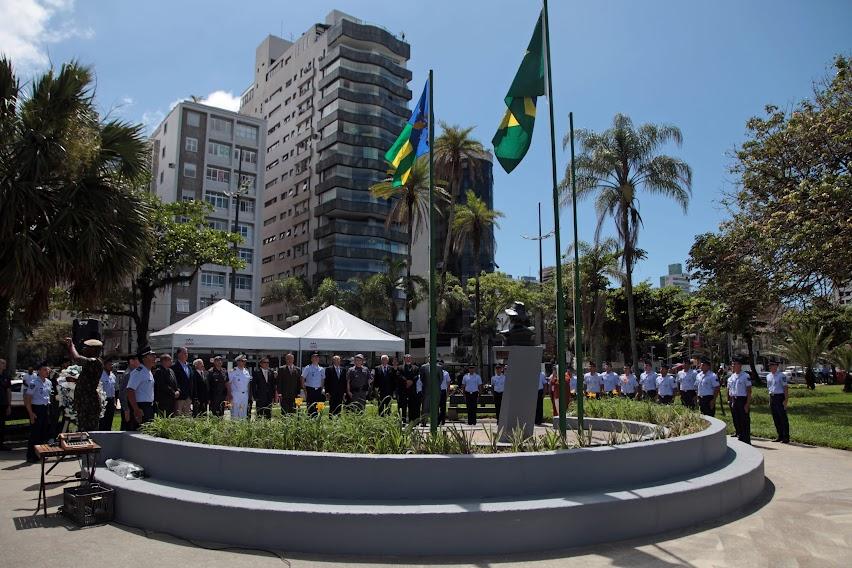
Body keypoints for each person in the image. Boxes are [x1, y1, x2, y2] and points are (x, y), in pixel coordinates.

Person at [65, 337, 104, 432]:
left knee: (89, 432)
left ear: (93, 350)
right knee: (83, 430)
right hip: (84, 403)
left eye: (86, 347)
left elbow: (77, 358)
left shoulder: (95, 362)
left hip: (89, 404)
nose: (83, 349)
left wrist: (71, 345)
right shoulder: (91, 363)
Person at [25, 363, 53, 462]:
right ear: (39, 371)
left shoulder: (48, 382)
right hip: (37, 409)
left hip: (45, 409)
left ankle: (41, 454)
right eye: (45, 370)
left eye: (48, 370)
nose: (47, 371)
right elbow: (28, 398)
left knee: (44, 433)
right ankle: (31, 456)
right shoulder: (34, 382)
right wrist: (31, 413)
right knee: (35, 434)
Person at [126, 347, 157, 428]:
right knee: (139, 433)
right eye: (151, 355)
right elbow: (130, 390)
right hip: (141, 407)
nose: (155, 357)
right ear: (144, 358)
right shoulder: (138, 372)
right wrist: (136, 409)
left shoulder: (148, 371)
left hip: (149, 407)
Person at [727, 356, 752, 444]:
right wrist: (730, 400)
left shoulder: (745, 376)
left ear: (740, 365)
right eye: (732, 364)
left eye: (735, 364)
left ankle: (746, 439)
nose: (733, 366)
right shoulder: (731, 377)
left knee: (744, 420)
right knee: (736, 419)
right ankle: (740, 436)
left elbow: (749, 391)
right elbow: (730, 390)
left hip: (742, 400)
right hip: (734, 400)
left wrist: (747, 404)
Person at [766, 359, 789, 443]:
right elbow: (769, 389)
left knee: (782, 418)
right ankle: (779, 436)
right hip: (772, 397)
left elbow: (785, 388)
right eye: (770, 366)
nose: (771, 367)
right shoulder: (768, 376)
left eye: (773, 365)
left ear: (777, 366)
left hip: (780, 397)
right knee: (776, 418)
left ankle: (786, 437)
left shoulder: (781, 375)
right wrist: (770, 400)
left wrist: (786, 400)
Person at [118, 355, 139, 430]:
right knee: (127, 429)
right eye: (137, 359)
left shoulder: (134, 373)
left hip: (131, 406)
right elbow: (123, 393)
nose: (139, 361)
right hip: (128, 408)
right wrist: (126, 409)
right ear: (131, 361)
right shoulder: (128, 374)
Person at [171, 347, 194, 417]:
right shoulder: (174, 367)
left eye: (187, 353)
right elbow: (173, 382)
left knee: (187, 418)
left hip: (188, 397)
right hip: (179, 397)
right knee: (178, 417)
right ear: (178, 354)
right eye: (184, 353)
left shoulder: (189, 367)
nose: (186, 355)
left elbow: (191, 381)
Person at [227, 355, 251, 420]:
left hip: (245, 394)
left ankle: (242, 428)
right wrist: (229, 395)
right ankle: (234, 428)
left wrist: (248, 394)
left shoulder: (246, 371)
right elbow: (228, 383)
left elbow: (248, 383)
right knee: (235, 412)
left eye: (245, 361)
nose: (244, 362)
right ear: (238, 362)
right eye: (242, 361)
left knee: (243, 412)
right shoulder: (233, 371)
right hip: (235, 394)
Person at [301, 352, 325, 417]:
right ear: (311, 359)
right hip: (310, 390)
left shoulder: (321, 369)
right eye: (314, 357)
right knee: (310, 407)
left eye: (317, 357)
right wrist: (304, 389)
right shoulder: (308, 368)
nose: (316, 358)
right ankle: (310, 421)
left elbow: (322, 379)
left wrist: (321, 388)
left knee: (317, 407)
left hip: (318, 390)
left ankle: (317, 420)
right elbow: (302, 378)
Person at [398, 354, 418, 424]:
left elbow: (417, 376)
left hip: (412, 390)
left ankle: (411, 421)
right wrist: (406, 381)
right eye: (406, 358)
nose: (408, 359)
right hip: (403, 390)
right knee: (403, 406)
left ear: (411, 359)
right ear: (404, 359)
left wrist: (411, 381)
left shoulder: (416, 367)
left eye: (409, 358)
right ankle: (403, 421)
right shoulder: (400, 367)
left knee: (412, 406)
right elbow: (399, 375)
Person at [98, 358, 117, 430]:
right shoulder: (101, 375)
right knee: (103, 420)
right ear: (104, 366)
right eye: (109, 364)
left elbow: (113, 389)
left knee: (110, 418)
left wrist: (115, 401)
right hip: (103, 400)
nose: (111, 366)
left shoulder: (113, 376)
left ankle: (108, 432)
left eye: (112, 364)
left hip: (111, 400)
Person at [0, 358, 12, 451]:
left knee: (2, 425)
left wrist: (9, 405)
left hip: (3, 404)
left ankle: (1, 444)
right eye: (3, 363)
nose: (5, 365)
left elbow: (8, 391)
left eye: (5, 363)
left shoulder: (6, 376)